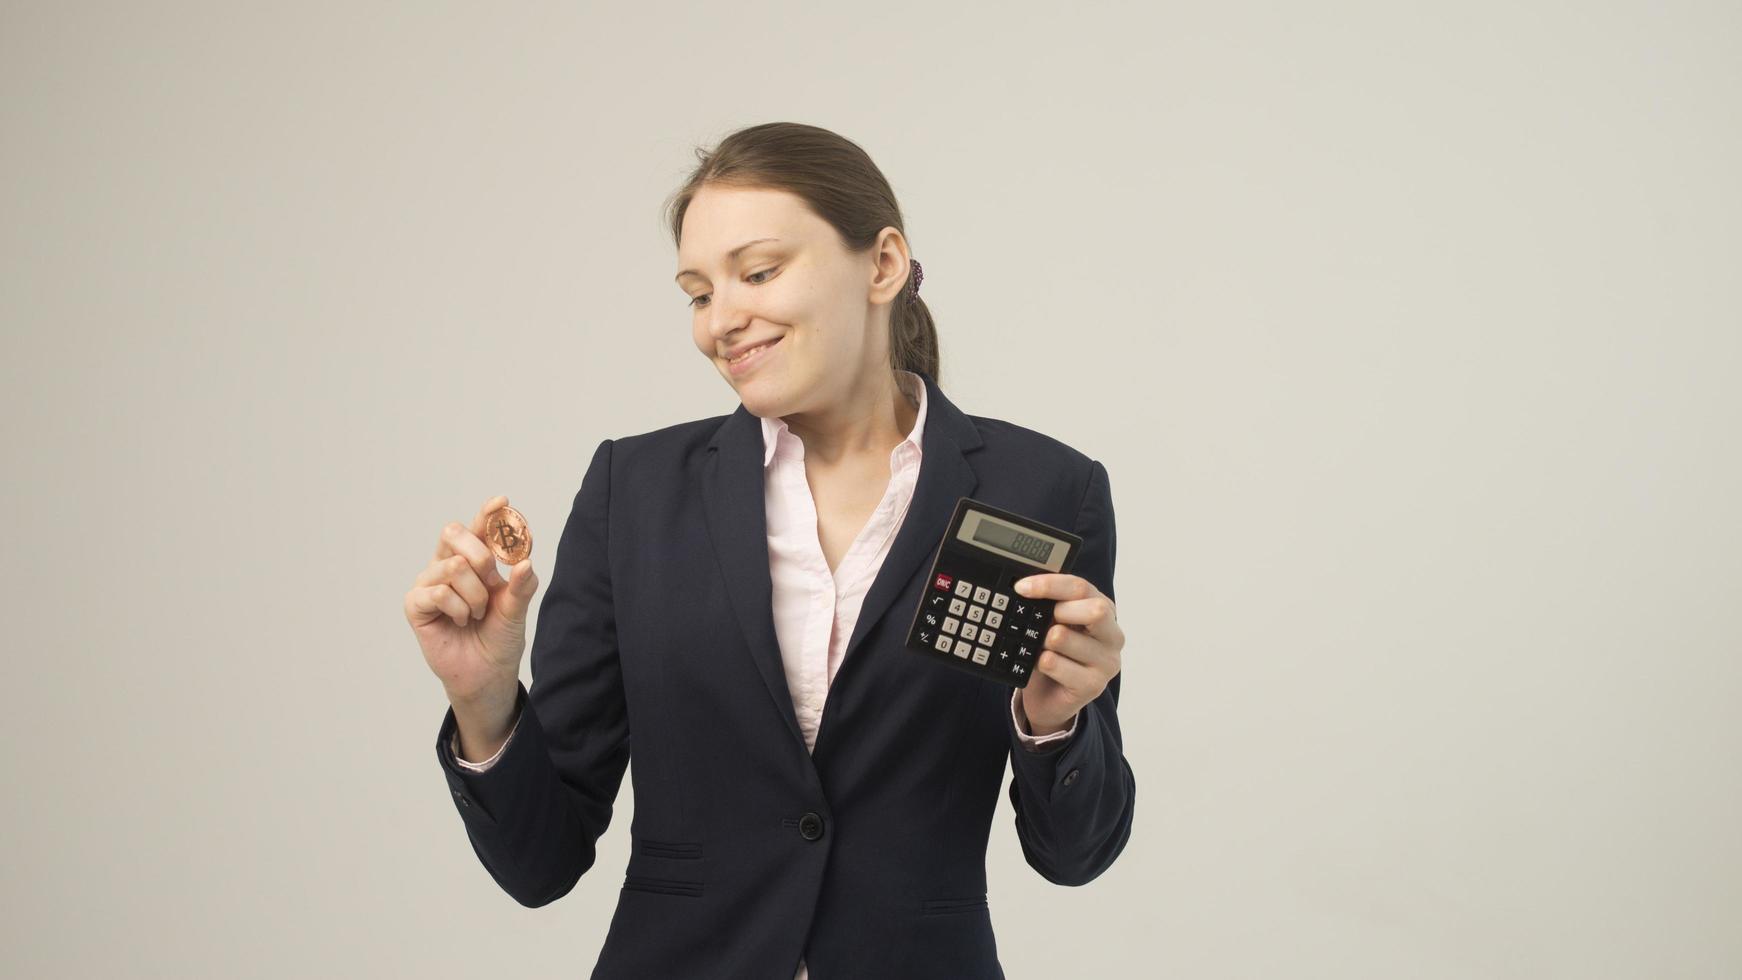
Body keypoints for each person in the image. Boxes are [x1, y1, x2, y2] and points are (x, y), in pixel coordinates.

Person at [404, 121, 1136, 979]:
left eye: (757, 272)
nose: (723, 319)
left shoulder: (1043, 491)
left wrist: (1056, 723)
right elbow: (542, 863)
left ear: (883, 264)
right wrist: (484, 698)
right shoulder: (632, 493)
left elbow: (1075, 854)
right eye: (697, 292)